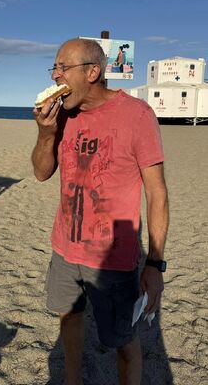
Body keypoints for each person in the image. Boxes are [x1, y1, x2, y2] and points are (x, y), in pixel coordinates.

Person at [31, 38, 169, 385]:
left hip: (112, 258)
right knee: (69, 317)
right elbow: (41, 172)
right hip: (64, 247)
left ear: (93, 72)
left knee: (122, 340)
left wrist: (154, 263)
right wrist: (45, 133)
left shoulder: (137, 115)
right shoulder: (62, 115)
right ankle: (73, 379)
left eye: (64, 67)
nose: (56, 75)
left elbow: (157, 192)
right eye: (55, 68)